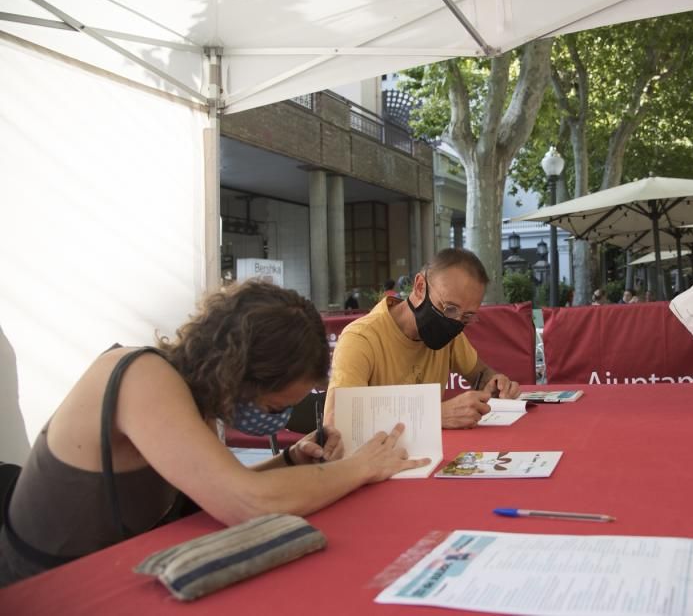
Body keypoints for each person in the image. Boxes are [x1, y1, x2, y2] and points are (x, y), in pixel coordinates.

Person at [0, 281, 426, 587]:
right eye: (275, 408)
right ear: (238, 375)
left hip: (115, 572)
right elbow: (246, 502)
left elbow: (212, 492)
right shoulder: (139, 376)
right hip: (45, 586)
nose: (278, 422)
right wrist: (360, 467)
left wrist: (291, 459)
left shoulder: (193, 398)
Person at [325, 248, 521, 429]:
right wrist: (433, 415)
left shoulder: (451, 335)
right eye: (450, 308)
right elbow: (337, 420)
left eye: (467, 316)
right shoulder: (361, 338)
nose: (456, 322)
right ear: (420, 287)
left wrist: (493, 383)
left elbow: (480, 373)